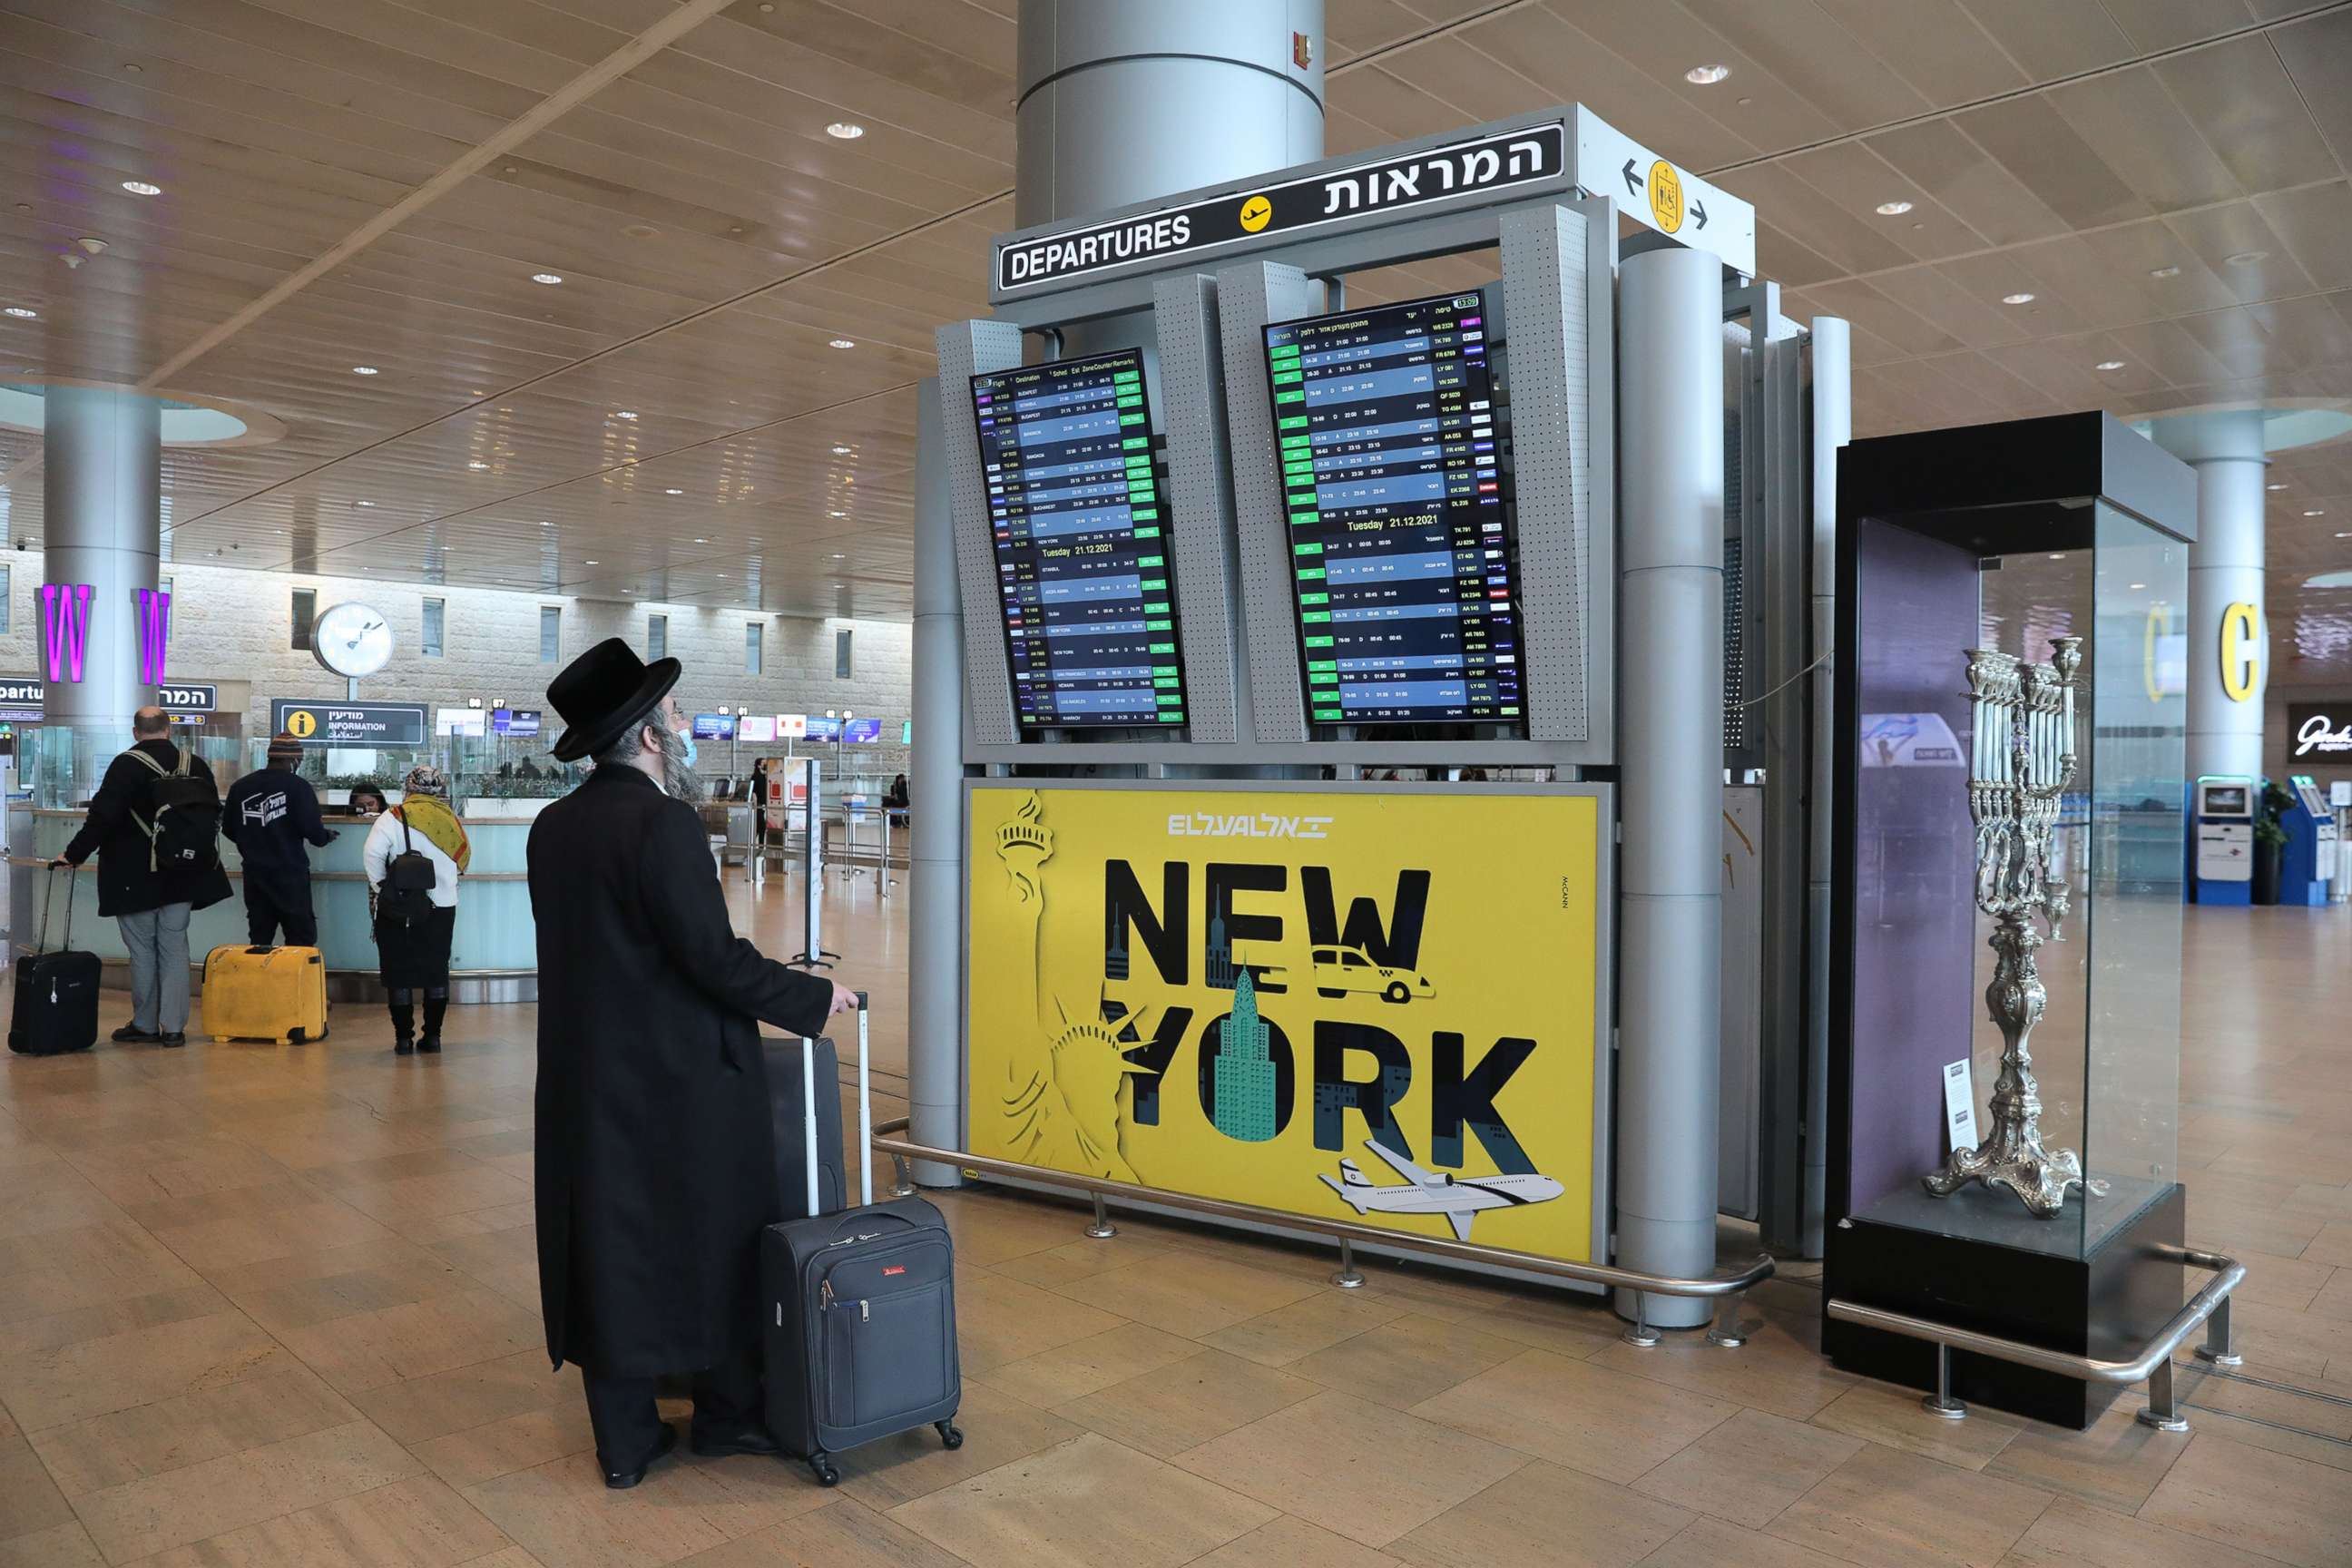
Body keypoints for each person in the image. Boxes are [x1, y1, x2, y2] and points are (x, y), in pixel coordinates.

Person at [530, 638, 855, 1490]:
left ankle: (626, 1442)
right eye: (672, 714)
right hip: (682, 1081)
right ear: (645, 736)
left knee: (607, 1238)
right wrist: (816, 1001)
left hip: (584, 1076)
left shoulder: (553, 827)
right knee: (715, 1234)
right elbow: (710, 958)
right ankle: (726, 1415)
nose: (682, 723)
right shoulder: (662, 823)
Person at [53, 707, 230, 1047]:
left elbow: (102, 817)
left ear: (136, 732)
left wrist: (73, 855)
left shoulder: (126, 765)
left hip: (133, 873)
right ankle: (175, 1028)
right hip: (184, 872)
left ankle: (146, 1024)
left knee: (143, 951)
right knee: (175, 948)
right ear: (168, 730)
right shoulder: (194, 764)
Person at [363, 766, 469, 1056]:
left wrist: (382, 886)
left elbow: (372, 853)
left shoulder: (393, 817)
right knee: (436, 971)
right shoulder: (449, 819)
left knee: (399, 970)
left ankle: (403, 1039)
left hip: (399, 906)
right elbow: (462, 859)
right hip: (443, 905)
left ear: (408, 789)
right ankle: (432, 1037)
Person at [221, 731, 337, 946]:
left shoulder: (241, 787)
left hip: (255, 875)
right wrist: (326, 836)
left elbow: (228, 828)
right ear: (292, 759)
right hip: (290, 875)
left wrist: (253, 842)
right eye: (299, 760)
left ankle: (261, 979)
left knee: (259, 937)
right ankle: (293, 980)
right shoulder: (298, 787)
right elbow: (314, 833)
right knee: (300, 937)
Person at [748, 757, 771, 863]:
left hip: (764, 805)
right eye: (763, 763)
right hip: (758, 806)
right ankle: (760, 848)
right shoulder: (755, 777)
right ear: (758, 765)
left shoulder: (765, 776)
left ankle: (756, 847)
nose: (765, 765)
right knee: (761, 827)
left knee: (759, 828)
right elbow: (753, 792)